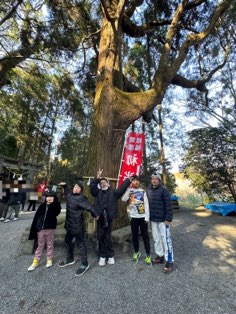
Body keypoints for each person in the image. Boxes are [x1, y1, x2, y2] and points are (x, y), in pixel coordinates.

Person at [90, 169, 131, 267]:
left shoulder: (113, 192)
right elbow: (92, 187)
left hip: (109, 218)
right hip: (99, 218)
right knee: (100, 236)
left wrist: (127, 180)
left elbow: (121, 189)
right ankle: (102, 256)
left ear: (108, 183)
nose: (102, 183)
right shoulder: (97, 192)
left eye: (104, 181)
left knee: (108, 237)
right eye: (101, 182)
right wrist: (97, 178)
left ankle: (110, 255)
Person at [58, 181, 99, 277]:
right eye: (75, 187)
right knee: (67, 241)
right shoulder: (69, 195)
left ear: (81, 190)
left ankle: (85, 264)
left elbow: (90, 207)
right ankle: (70, 259)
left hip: (78, 226)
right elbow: (67, 190)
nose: (76, 189)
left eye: (78, 187)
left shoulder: (81, 198)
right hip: (69, 225)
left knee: (81, 244)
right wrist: (64, 185)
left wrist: (96, 214)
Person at [146, 173, 174, 273]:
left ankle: (170, 261)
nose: (154, 180)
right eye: (152, 179)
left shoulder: (164, 190)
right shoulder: (148, 190)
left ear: (159, 180)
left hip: (163, 220)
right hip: (153, 220)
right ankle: (160, 256)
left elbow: (169, 206)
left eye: (156, 179)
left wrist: (168, 219)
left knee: (166, 240)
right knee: (156, 239)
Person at [28, 191, 61, 271]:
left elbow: (56, 213)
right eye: (48, 196)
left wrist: (52, 204)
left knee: (50, 244)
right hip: (41, 229)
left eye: (51, 196)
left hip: (50, 228)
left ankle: (49, 259)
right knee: (40, 245)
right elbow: (37, 217)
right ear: (45, 197)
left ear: (54, 198)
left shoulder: (56, 205)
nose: (49, 198)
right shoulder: (42, 205)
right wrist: (37, 227)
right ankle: (36, 261)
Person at [122, 175, 151, 265]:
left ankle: (148, 255)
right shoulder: (129, 191)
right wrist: (128, 191)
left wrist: (147, 217)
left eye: (137, 181)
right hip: (133, 217)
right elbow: (123, 199)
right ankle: (136, 252)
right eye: (134, 180)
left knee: (145, 236)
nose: (136, 182)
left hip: (142, 218)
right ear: (132, 182)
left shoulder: (143, 192)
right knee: (134, 236)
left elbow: (146, 205)